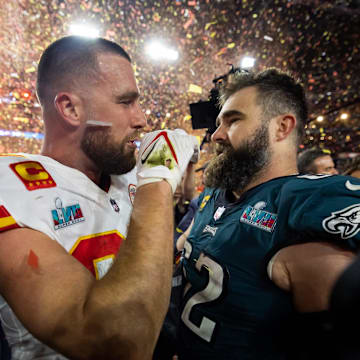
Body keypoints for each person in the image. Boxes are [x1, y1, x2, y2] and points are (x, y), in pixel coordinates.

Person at [0, 35, 198, 360]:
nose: (141, 119)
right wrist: (158, 178)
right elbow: (118, 345)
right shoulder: (10, 186)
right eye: (125, 102)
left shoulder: (129, 178)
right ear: (70, 108)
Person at [176, 68, 360, 360]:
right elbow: (182, 248)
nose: (217, 135)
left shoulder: (302, 205)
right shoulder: (214, 195)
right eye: (218, 124)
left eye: (233, 120)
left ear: (282, 127)